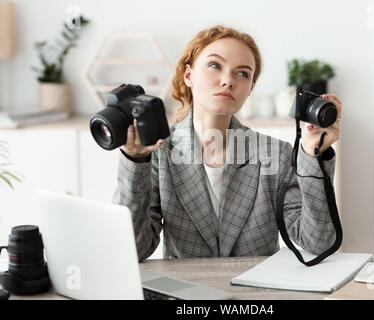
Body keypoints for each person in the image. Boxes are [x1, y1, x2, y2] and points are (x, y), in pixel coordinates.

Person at [113, 25, 342, 261]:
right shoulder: (158, 151)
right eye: (215, 66)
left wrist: (311, 154)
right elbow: (132, 249)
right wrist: (135, 159)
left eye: (242, 73)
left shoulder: (276, 154)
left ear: (250, 88)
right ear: (188, 75)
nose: (228, 81)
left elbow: (319, 242)